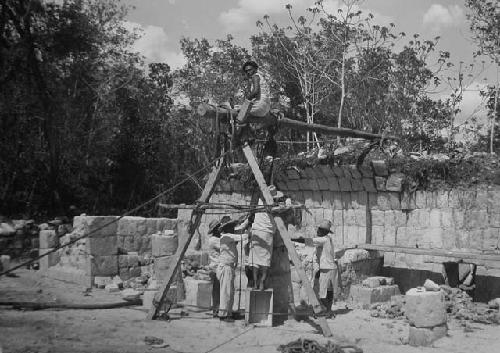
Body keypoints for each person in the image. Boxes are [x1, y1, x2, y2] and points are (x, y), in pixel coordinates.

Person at [293, 219, 339, 317]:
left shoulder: (323, 239)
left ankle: (326, 311)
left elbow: (309, 241)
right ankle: (328, 310)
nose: (317, 231)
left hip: (327, 269)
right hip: (331, 268)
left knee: (321, 294)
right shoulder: (328, 239)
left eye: (319, 230)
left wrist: (293, 239)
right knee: (329, 292)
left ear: (324, 231)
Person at [248, 185, 284, 290]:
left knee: (255, 260)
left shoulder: (259, 201)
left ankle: (255, 283)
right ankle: (262, 282)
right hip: (267, 233)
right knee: (265, 259)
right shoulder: (273, 205)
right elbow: (282, 208)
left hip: (256, 232)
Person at [215, 218, 248, 322]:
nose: (234, 228)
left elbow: (240, 229)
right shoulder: (226, 236)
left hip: (229, 267)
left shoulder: (229, 235)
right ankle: (223, 314)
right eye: (231, 227)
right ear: (227, 228)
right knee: (226, 292)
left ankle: (228, 313)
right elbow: (242, 236)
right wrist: (251, 231)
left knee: (230, 292)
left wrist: (247, 221)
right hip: (225, 267)